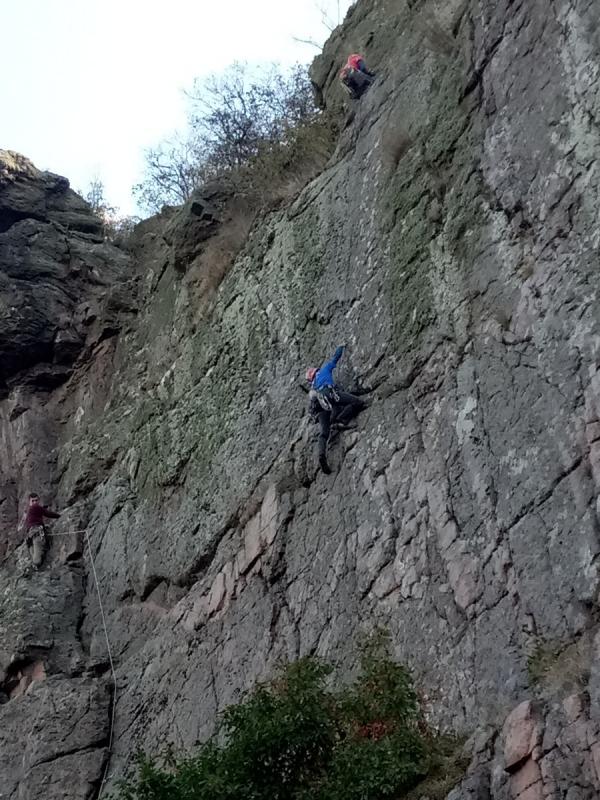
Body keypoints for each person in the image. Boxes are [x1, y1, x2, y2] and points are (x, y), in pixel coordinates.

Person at [306, 346, 367, 474]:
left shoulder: (313, 389)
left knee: (324, 433)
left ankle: (322, 454)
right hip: (332, 396)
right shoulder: (324, 370)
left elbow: (313, 410)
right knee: (357, 402)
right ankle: (341, 420)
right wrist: (342, 347)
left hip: (322, 409)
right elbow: (335, 358)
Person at [20, 492, 60, 568]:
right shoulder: (35, 508)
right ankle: (36, 565)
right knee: (36, 561)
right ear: (29, 502)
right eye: (33, 501)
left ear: (38, 501)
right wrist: (59, 516)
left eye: (36, 500)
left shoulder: (29, 512)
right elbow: (48, 513)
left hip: (32, 535)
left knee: (35, 560)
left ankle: (35, 566)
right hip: (33, 535)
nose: (35, 502)